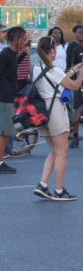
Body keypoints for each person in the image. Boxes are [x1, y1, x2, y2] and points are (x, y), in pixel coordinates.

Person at [31, 36, 83, 200]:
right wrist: (81, 74)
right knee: (62, 152)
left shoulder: (38, 67)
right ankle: (59, 190)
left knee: (55, 151)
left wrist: (72, 71)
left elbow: (55, 81)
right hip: (55, 109)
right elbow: (74, 86)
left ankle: (42, 185)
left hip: (42, 110)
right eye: (55, 49)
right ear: (51, 51)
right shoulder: (54, 70)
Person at [0, 27, 29, 175]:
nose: (25, 42)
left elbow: (12, 67)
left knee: (6, 132)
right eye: (23, 39)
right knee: (4, 132)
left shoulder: (11, 54)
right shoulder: (5, 54)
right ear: (16, 39)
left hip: (8, 96)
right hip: (3, 97)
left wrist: (24, 55)